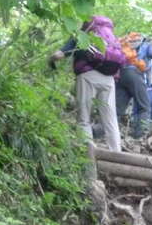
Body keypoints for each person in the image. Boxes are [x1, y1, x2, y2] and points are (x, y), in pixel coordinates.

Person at [49, 16, 125, 152]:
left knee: (84, 116)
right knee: (110, 118)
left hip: (87, 76)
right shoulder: (111, 38)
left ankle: (86, 152)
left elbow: (59, 55)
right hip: (109, 79)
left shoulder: (82, 35)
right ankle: (116, 151)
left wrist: (51, 59)